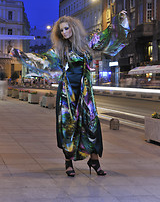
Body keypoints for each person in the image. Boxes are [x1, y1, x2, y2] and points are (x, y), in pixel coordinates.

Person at [10, 10, 130, 177]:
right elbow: (42, 59)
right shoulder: (59, 49)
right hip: (67, 92)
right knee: (68, 126)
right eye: (61, 31)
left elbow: (107, 35)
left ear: (73, 27)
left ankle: (94, 160)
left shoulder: (87, 43)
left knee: (91, 124)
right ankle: (68, 162)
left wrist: (120, 19)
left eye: (66, 28)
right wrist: (20, 55)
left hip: (85, 91)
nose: (64, 32)